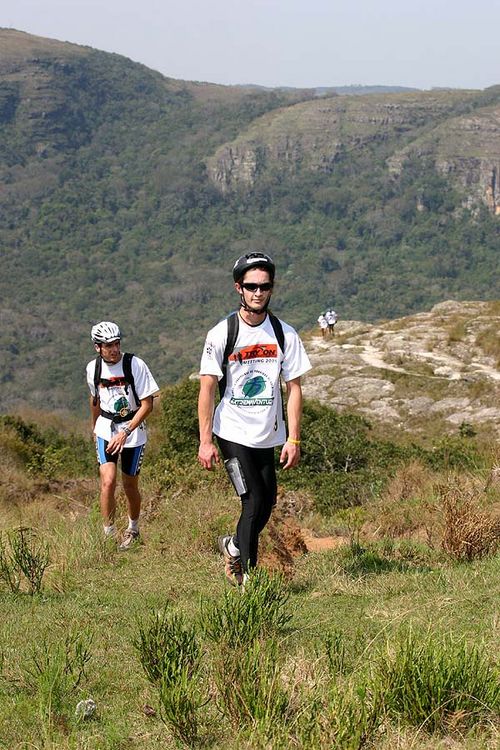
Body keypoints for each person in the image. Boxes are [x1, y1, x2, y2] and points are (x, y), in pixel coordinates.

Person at [198, 253, 312, 585]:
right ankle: (250, 581)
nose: (258, 293)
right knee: (252, 501)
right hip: (232, 430)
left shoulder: (284, 334)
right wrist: (205, 441)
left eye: (265, 286)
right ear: (239, 288)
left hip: (268, 433)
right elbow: (206, 389)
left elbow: (294, 389)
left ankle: (233, 546)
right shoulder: (222, 333)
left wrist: (293, 438)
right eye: (251, 286)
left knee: (268, 502)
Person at [86, 321, 159, 549]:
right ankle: (108, 536)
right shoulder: (93, 368)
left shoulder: (134, 364)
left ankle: (133, 529)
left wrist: (126, 432)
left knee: (129, 485)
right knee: (107, 482)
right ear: (98, 347)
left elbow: (147, 404)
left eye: (117, 344)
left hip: (133, 430)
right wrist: (94, 426)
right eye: (108, 345)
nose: (114, 349)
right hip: (107, 429)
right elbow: (95, 399)